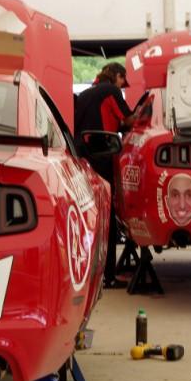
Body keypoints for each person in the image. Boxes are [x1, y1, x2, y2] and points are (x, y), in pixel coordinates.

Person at [74, 62, 135, 288]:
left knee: (90, 217)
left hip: (80, 159)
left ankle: (90, 274)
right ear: (117, 76)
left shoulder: (85, 94)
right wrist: (143, 111)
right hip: (101, 156)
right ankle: (109, 276)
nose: (122, 85)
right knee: (107, 216)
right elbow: (129, 120)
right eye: (122, 80)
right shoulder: (110, 91)